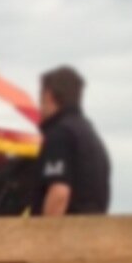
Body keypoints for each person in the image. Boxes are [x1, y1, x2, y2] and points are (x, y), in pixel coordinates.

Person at [33, 66, 110, 217]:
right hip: (94, 232)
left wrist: (45, 237)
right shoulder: (91, 135)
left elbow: (59, 192)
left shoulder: (60, 134)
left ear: (48, 96)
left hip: (67, 235)